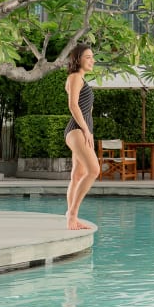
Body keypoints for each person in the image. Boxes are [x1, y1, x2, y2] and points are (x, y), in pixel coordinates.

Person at [64, 43, 99, 230]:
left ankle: (72, 216)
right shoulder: (75, 77)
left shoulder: (81, 79)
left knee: (77, 175)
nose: (92, 60)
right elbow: (73, 106)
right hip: (77, 129)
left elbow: (88, 110)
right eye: (88, 57)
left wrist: (89, 131)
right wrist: (86, 130)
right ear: (77, 59)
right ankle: (72, 214)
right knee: (94, 170)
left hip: (81, 129)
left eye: (92, 57)